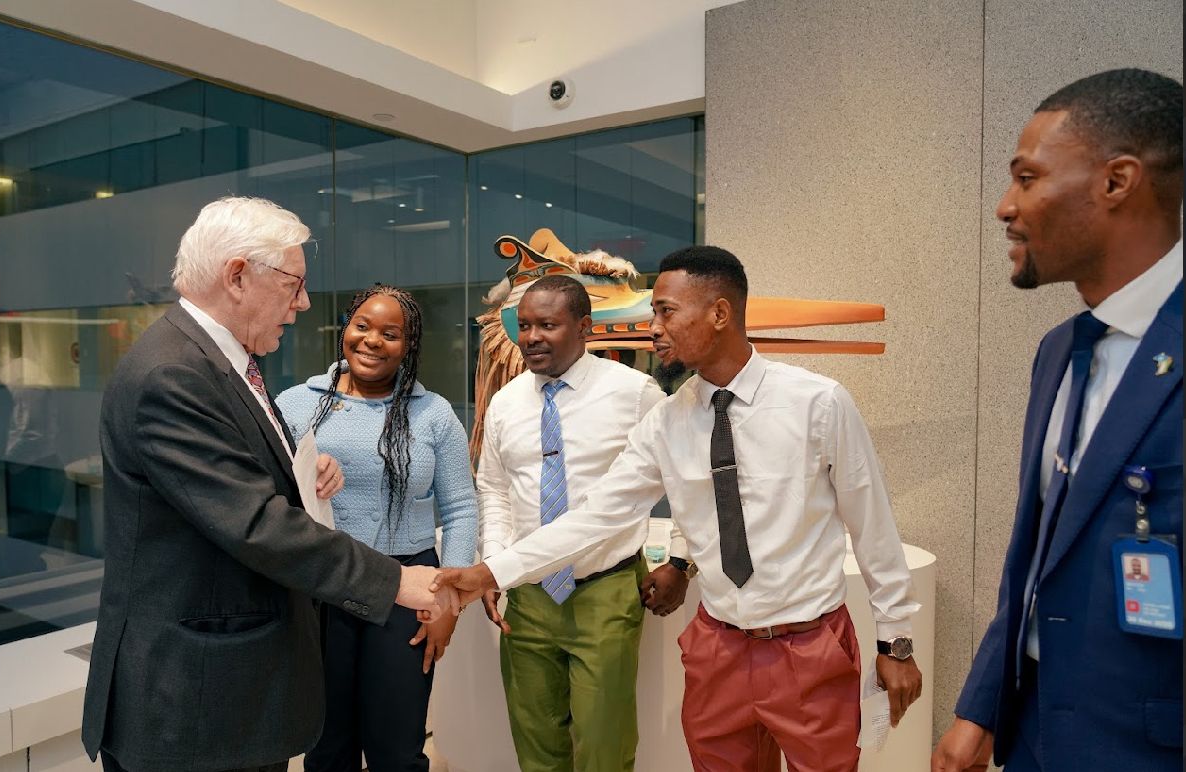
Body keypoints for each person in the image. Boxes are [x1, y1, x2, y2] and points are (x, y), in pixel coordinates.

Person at [439, 247, 922, 772]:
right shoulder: (666, 422)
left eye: (666, 311)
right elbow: (596, 516)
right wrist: (491, 570)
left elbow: (872, 525)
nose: (653, 328)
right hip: (718, 647)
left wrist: (895, 641)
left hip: (808, 646)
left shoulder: (818, 403)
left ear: (719, 313)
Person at [81, 197, 455, 772]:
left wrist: (306, 477)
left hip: (226, 693)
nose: (303, 304)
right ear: (237, 277)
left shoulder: (220, 364)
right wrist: (398, 580)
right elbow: (254, 523)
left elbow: (237, 490)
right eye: (294, 285)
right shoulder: (173, 375)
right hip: (192, 704)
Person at [932, 69, 1183, 772]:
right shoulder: (1059, 353)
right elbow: (1036, 555)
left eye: (1028, 177)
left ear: (1117, 182)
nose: (1006, 207)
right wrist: (981, 708)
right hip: (1037, 734)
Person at [474, 274, 689, 772]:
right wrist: (493, 563)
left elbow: (684, 482)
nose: (531, 338)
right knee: (536, 741)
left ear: (584, 327)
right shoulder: (506, 403)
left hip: (606, 591)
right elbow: (495, 490)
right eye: (524, 325)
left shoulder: (635, 393)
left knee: (603, 744)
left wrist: (681, 559)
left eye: (547, 325)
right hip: (526, 597)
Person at [276, 284, 478, 772]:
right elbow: (267, 498)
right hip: (322, 584)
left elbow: (461, 509)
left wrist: (449, 602)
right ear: (345, 328)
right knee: (326, 747)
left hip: (407, 589)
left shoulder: (434, 415)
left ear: (408, 345)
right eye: (362, 326)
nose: (372, 341)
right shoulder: (296, 404)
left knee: (397, 749)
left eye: (391, 333)